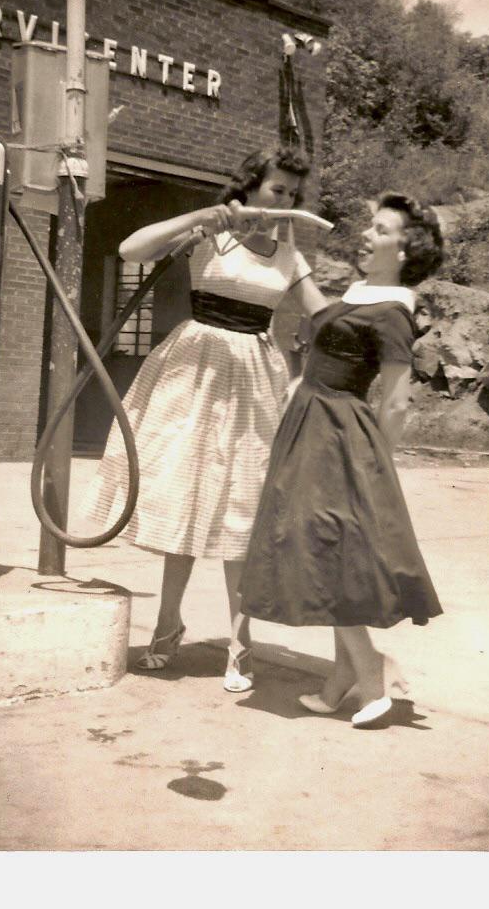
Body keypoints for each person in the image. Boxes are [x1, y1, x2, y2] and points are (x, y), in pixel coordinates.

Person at [81, 148, 328, 692]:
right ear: (250, 187)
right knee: (186, 499)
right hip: (193, 369)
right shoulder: (211, 235)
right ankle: (168, 625)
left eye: (291, 194)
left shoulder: (289, 254)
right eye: (275, 190)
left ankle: (241, 644)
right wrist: (200, 217)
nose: (284, 202)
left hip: (255, 380)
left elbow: (326, 316)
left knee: (239, 510)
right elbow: (130, 249)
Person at [240, 192, 444, 727]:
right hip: (311, 424)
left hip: (340, 436)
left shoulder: (395, 309)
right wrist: (284, 243)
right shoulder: (360, 295)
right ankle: (340, 680)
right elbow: (316, 308)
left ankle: (371, 678)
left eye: (379, 229)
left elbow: (397, 399)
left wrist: (372, 464)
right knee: (323, 548)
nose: (365, 234)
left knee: (329, 553)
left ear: (404, 248)